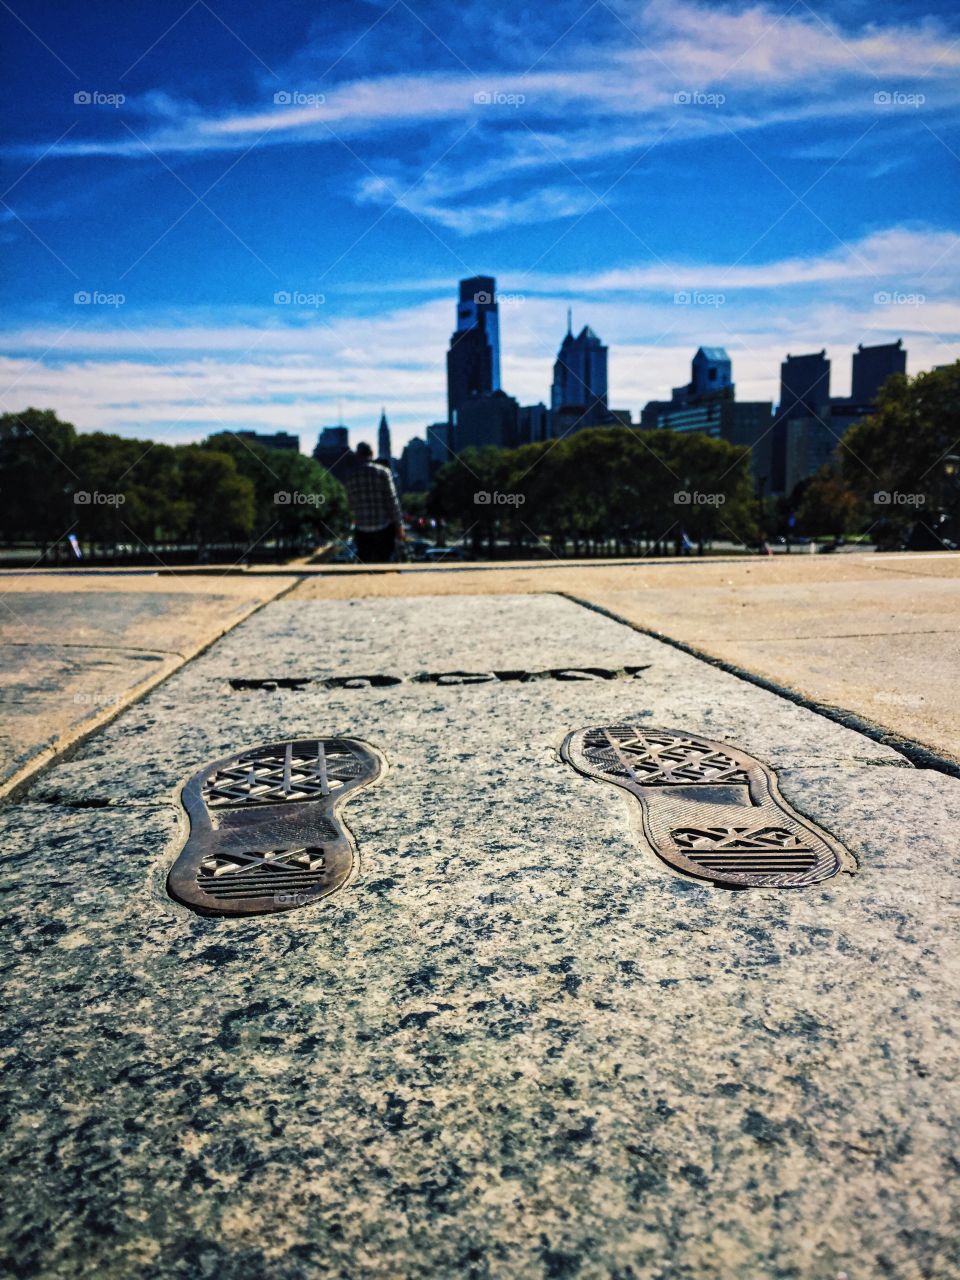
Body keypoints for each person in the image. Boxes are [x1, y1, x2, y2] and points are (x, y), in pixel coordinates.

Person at [343, 442, 404, 563]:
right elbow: (392, 501)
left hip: (362, 529)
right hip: (383, 528)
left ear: (357, 455)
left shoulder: (351, 476)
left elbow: (350, 504)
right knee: (384, 565)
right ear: (372, 454)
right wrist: (399, 526)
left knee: (366, 567)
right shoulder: (383, 472)